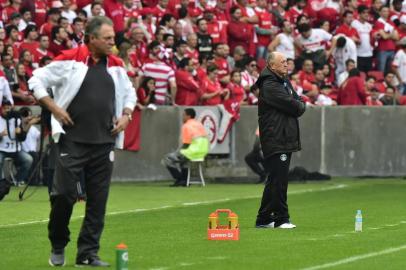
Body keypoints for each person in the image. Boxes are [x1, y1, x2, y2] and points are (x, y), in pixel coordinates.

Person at [28, 16, 136, 267]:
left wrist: (127, 115)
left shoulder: (117, 64)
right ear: (92, 38)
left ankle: (88, 253)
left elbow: (129, 91)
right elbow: (35, 80)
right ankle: (58, 243)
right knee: (64, 195)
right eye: (107, 38)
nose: (113, 42)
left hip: (104, 143)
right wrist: (54, 108)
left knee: (98, 202)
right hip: (72, 141)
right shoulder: (71, 58)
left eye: (113, 38)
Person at [254, 51, 306, 229]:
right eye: (282, 62)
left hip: (283, 136)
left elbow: (298, 101)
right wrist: (298, 104)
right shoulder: (270, 85)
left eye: (287, 61)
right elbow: (295, 105)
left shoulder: (283, 81)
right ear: (271, 65)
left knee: (275, 179)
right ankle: (281, 219)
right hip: (276, 137)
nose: (286, 64)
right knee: (279, 180)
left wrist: (298, 103)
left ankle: (264, 218)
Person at [163, 108, 209, 187]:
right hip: (203, 152)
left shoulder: (186, 126)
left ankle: (180, 179)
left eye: (184, 115)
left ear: (189, 116)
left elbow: (186, 144)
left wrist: (177, 152)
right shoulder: (199, 124)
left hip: (193, 152)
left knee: (167, 158)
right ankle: (185, 180)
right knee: (183, 157)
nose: (182, 117)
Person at [0, 99, 33, 186]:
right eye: (5, 108)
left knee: (28, 160)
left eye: (9, 108)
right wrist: (0, 135)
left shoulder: (16, 120)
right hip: (1, 150)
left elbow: (22, 138)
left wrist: (20, 133)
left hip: (15, 150)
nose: (7, 110)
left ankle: (16, 180)